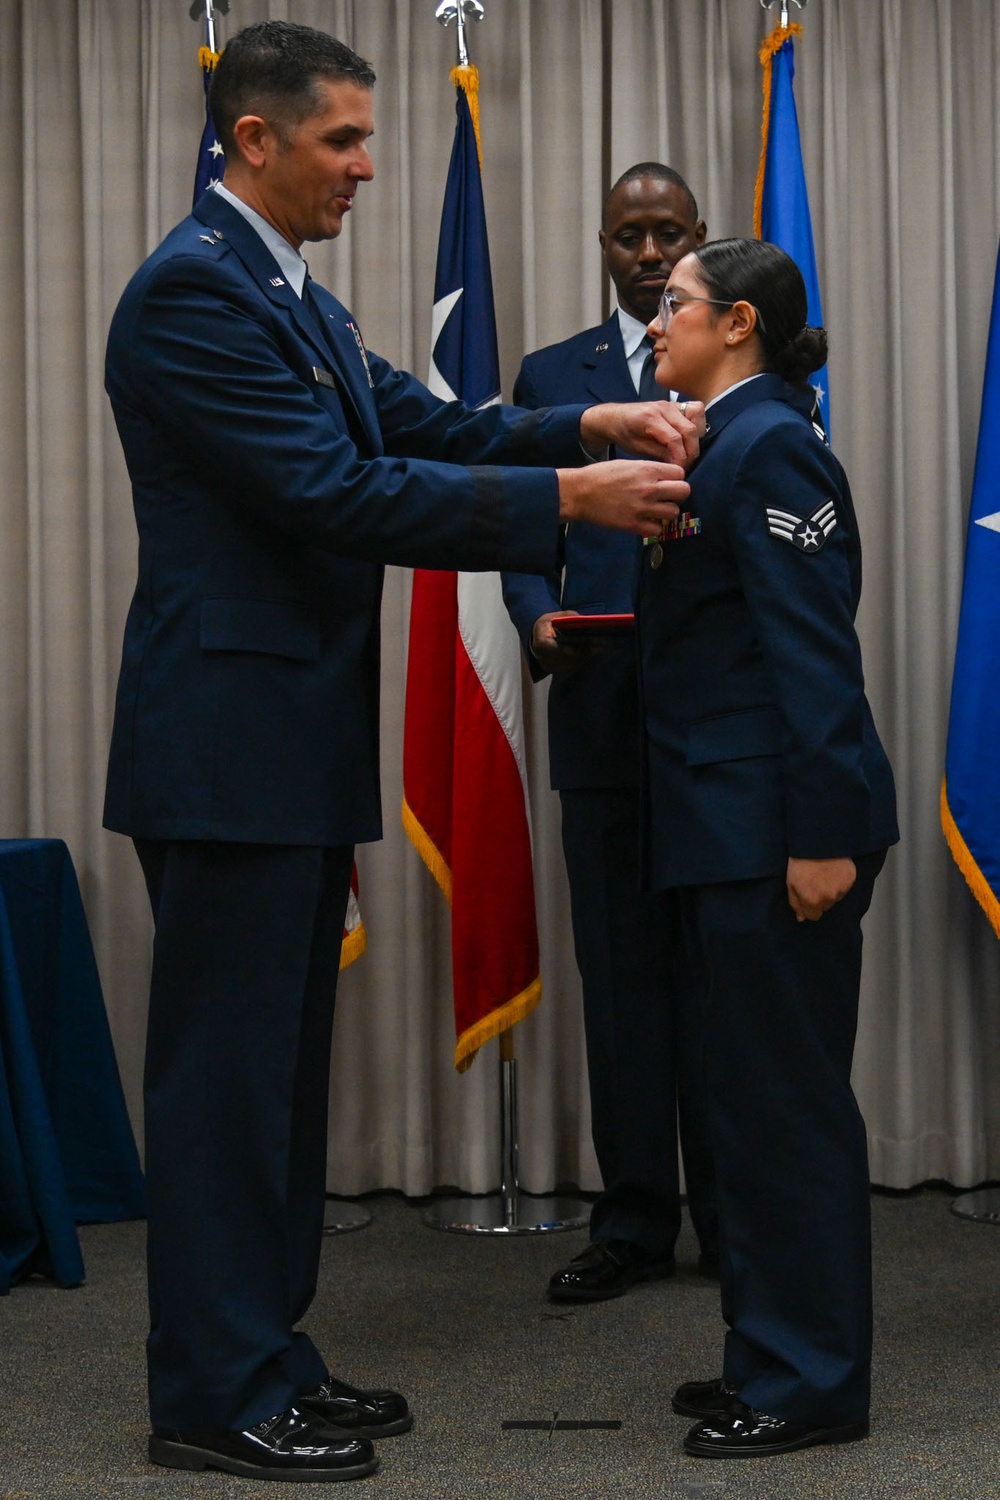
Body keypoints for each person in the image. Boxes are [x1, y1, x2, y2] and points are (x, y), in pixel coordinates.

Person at [102, 20, 703, 1486]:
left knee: (278, 1088)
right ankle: (206, 1392)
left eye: (369, 140)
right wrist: (573, 493)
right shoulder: (193, 294)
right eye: (344, 142)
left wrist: (591, 414)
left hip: (284, 749)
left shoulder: (284, 290)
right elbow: (338, 491)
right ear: (254, 139)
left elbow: (427, 418)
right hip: (225, 750)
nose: (367, 167)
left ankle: (265, 1353)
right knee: (224, 1090)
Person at [637, 238, 898, 1458]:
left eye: (673, 304)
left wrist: (823, 839)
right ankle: (765, 1354)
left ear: (736, 322)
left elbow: (812, 657)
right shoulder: (721, 438)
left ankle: (809, 1384)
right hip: (719, 824)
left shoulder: (772, 442)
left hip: (775, 836)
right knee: (742, 1109)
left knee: (785, 1111)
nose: (653, 320)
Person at [502, 165, 718, 1303]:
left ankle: (734, 1218)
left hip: (714, 729)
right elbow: (514, 524)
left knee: (721, 974)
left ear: (697, 239)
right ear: (601, 244)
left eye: (666, 233)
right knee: (622, 977)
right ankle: (634, 1219)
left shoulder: (743, 370)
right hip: (595, 713)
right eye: (628, 234)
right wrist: (536, 618)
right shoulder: (553, 378)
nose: (645, 251)